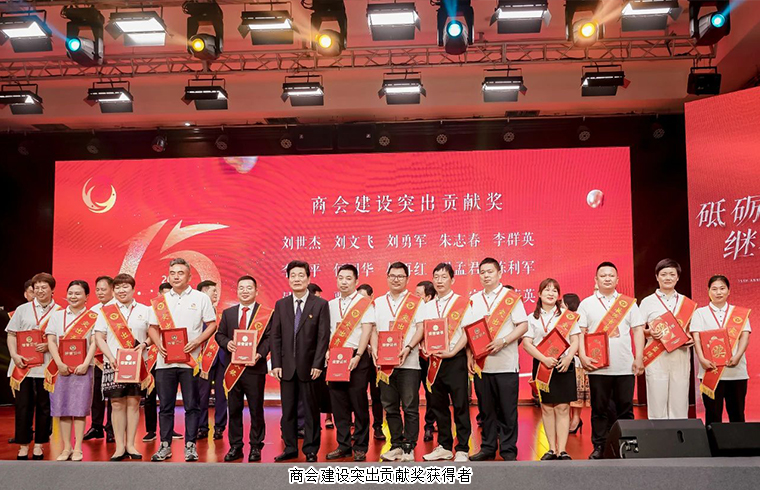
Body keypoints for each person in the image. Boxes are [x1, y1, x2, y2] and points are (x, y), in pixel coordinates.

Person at [147, 258, 217, 462]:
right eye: (172, 273)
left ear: (189, 276)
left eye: (180, 273)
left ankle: (190, 445)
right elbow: (152, 327)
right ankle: (165, 445)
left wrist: (197, 341)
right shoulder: (160, 301)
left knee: (192, 405)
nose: (176, 276)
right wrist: (157, 343)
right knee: (165, 406)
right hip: (164, 362)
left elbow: (212, 324)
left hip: (190, 362)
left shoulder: (200, 298)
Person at [578, 262, 645, 460]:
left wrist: (639, 357)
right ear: (596, 280)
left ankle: (627, 445)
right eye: (603, 275)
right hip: (597, 367)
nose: (607, 278)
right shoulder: (586, 304)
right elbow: (580, 332)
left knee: (626, 408)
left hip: (624, 365)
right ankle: (599, 446)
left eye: (611, 275)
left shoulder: (628, 303)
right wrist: (582, 355)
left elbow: (638, 330)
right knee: (599, 409)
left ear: (617, 279)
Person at [465, 259, 529, 462]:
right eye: (482, 272)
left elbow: (523, 325)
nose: (486, 275)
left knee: (508, 410)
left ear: (499, 273)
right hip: (482, 365)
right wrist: (469, 355)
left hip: (506, 364)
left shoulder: (510, 298)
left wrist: (504, 341)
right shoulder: (474, 299)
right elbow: (469, 331)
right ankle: (488, 447)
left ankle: (508, 449)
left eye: (490, 271)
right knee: (486, 410)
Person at [270, 260, 330, 462]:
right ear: (288, 279)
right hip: (286, 367)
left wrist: (318, 364)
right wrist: (276, 363)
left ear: (308, 278)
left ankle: (311, 449)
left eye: (301, 275)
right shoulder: (281, 305)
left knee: (311, 411)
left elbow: (323, 337)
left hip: (310, 368)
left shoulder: (320, 304)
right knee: (288, 410)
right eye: (293, 275)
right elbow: (275, 336)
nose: (296, 279)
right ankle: (290, 447)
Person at [94, 273, 153, 461]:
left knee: (134, 404)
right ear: (113, 290)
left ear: (133, 289)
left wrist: (144, 345)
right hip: (114, 364)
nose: (121, 290)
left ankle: (131, 445)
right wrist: (110, 357)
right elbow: (98, 337)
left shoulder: (145, 310)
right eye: (117, 287)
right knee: (117, 404)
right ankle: (119, 446)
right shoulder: (106, 311)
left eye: (125, 286)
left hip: (137, 365)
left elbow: (153, 334)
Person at [371, 262, 426, 462]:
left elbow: (421, 328)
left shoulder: (416, 302)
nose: (396, 279)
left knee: (410, 406)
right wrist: (375, 351)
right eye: (392, 276)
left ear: (407, 279)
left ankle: (409, 446)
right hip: (385, 365)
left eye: (400, 276)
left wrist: (409, 347)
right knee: (390, 406)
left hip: (409, 363)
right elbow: (373, 330)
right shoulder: (378, 302)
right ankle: (395, 444)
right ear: (387, 277)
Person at [216, 275, 273, 462]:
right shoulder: (229, 313)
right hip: (233, 369)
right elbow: (219, 335)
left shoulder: (266, 314)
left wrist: (260, 354)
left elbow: (270, 338)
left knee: (256, 409)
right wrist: (227, 343)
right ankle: (236, 446)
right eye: (241, 288)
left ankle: (256, 445)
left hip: (255, 369)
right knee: (234, 409)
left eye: (249, 288)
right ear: (237, 290)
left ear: (256, 291)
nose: (245, 291)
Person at [522, 279, 580, 460]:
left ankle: (562, 450)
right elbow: (527, 344)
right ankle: (551, 449)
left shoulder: (567, 316)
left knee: (563, 407)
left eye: (554, 290)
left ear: (558, 295)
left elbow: (575, 339)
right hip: (542, 366)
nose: (551, 293)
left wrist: (569, 357)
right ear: (539, 294)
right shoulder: (532, 318)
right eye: (547, 290)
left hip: (564, 365)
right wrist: (544, 359)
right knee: (547, 408)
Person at [421, 263, 472, 462]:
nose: (439, 281)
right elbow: (423, 331)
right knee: (438, 405)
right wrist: (424, 347)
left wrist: (452, 352)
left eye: (444, 277)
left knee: (460, 405)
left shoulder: (462, 303)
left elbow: (467, 333)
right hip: (434, 362)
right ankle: (444, 445)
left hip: (455, 360)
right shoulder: (427, 306)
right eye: (436, 277)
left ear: (452, 279)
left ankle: (463, 448)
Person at [6, 272, 59, 460]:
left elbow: (63, 339)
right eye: (37, 288)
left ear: (52, 289)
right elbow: (11, 334)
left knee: (45, 406)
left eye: (44, 287)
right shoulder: (22, 309)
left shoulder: (59, 312)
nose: (40, 291)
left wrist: (49, 345)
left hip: (46, 367)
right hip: (23, 365)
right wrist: (14, 355)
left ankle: (39, 444)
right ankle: (23, 445)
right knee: (23, 406)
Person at [45, 280, 99, 461]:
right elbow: (51, 341)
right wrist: (59, 363)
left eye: (77, 293)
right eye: (70, 293)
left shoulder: (94, 317)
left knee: (79, 408)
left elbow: (94, 342)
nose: (73, 296)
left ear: (86, 297)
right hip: (61, 369)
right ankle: (66, 447)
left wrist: (85, 363)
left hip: (83, 368)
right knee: (63, 408)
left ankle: (78, 448)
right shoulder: (57, 316)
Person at [325, 264, 375, 462]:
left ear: (356, 281)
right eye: (341, 278)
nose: (344, 282)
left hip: (356, 357)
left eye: (348, 278)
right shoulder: (330, 305)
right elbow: (327, 331)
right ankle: (343, 445)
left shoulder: (364, 303)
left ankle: (360, 446)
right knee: (339, 403)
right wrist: (327, 352)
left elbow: (366, 330)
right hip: (336, 357)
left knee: (358, 402)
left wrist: (359, 355)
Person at [639, 259, 696, 420]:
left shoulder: (687, 303)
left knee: (680, 399)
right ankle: (658, 434)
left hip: (680, 354)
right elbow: (639, 330)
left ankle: (678, 433)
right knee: (657, 399)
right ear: (657, 277)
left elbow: (693, 330)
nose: (668, 278)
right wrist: (650, 333)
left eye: (672, 274)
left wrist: (690, 338)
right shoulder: (647, 302)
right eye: (663, 274)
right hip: (656, 356)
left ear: (678, 277)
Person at [691, 275, 752, 425]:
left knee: (737, 414)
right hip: (710, 371)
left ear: (729, 291)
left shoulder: (739, 313)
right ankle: (713, 441)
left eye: (722, 288)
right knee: (713, 415)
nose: (718, 292)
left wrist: (737, 356)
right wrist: (701, 359)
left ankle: (738, 440)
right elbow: (696, 338)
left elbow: (744, 337)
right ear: (708, 291)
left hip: (736, 371)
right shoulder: (700, 313)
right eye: (714, 289)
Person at [142, 282, 177, 442]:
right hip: (152, 356)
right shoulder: (152, 310)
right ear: (159, 294)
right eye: (164, 294)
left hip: (169, 356)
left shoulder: (176, 310)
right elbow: (148, 331)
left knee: (167, 396)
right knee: (150, 395)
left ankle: (169, 430)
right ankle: (150, 430)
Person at [84, 276, 115, 443]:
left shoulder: (117, 309)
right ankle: (96, 426)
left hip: (113, 357)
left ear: (112, 290)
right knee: (96, 393)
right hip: (96, 358)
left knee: (113, 394)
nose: (100, 293)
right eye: (98, 289)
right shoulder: (93, 310)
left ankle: (111, 428)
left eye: (104, 289)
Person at [196, 280, 227, 441]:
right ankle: (202, 427)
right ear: (202, 293)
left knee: (222, 395)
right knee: (202, 396)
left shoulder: (222, 314)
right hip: (203, 361)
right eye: (212, 291)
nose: (216, 293)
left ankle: (219, 427)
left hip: (222, 360)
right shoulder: (195, 313)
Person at [358, 283, 385, 441]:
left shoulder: (378, 312)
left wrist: (373, 348)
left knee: (377, 395)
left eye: (364, 297)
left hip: (375, 359)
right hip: (360, 359)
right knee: (358, 395)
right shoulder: (353, 314)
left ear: (371, 297)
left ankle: (378, 426)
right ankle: (359, 427)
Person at [415, 280, 437, 442]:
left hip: (432, 358)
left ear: (428, 297)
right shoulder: (412, 310)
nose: (414, 298)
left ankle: (429, 425)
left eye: (418, 295)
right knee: (411, 394)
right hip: (414, 357)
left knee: (432, 393)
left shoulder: (436, 310)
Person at [564, 293, 588, 434]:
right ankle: (567, 419)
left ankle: (576, 419)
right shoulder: (561, 319)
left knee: (577, 391)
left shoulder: (579, 318)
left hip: (578, 359)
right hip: (565, 358)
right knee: (567, 392)